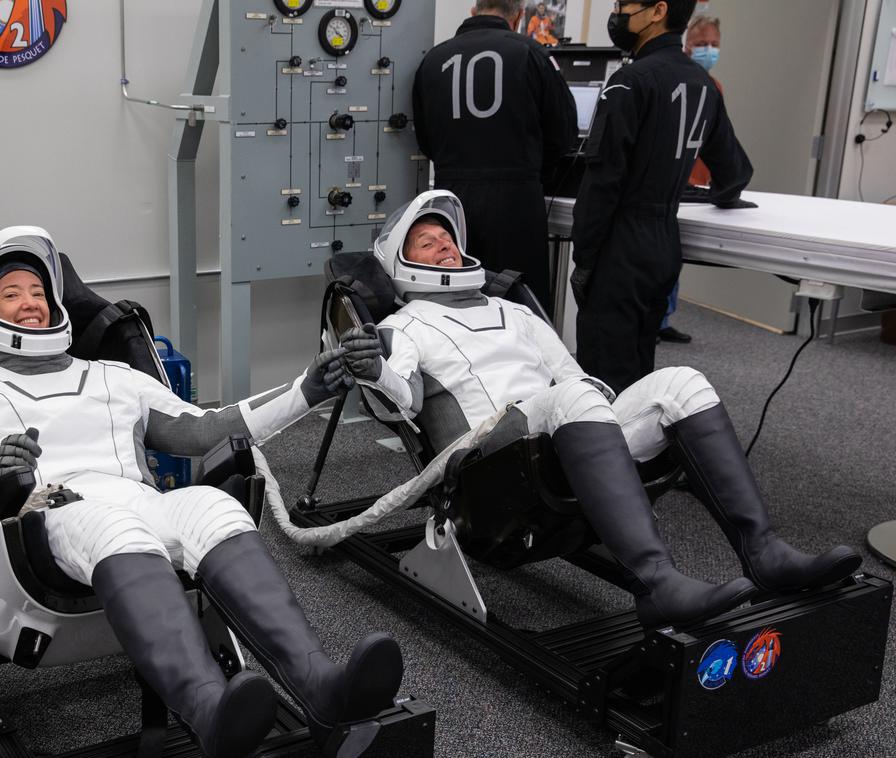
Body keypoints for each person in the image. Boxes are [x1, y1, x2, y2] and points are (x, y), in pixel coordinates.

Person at [0, 226, 404, 758]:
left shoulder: (114, 376)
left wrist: (308, 390)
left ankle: (321, 687)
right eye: (11, 293)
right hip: (47, 524)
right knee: (112, 523)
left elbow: (205, 429)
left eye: (38, 291)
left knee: (210, 506)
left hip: (140, 506)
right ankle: (208, 711)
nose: (30, 302)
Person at [337, 192, 860, 629]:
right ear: (402, 264)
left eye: (447, 238)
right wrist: (373, 369)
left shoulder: (514, 309)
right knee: (574, 396)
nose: (444, 247)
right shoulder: (405, 323)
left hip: (569, 436)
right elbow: (402, 399)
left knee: (681, 383)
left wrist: (616, 425)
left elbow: (574, 378)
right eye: (426, 243)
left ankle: (764, 551)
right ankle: (657, 584)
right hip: (491, 471)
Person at [570, 0, 752, 393]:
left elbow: (603, 183)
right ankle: (640, 447)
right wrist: (709, 195)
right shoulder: (704, 84)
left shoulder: (629, 82)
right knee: (640, 359)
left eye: (624, 5)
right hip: (665, 241)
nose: (618, 13)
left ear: (658, 11)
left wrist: (583, 258)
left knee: (603, 368)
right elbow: (736, 172)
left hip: (621, 244)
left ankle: (604, 450)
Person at [411, 0, 577, 317]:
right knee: (520, 302)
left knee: (456, 295)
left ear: (473, 12)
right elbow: (563, 135)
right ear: (516, 18)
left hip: (453, 201)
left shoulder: (433, 59)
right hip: (517, 201)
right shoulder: (534, 54)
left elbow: (424, 138)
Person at [659, 13, 725, 345]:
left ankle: (664, 318)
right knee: (663, 253)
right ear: (686, 46)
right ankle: (653, 316)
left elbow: (717, 140)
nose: (708, 51)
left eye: (714, 45)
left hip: (699, 180)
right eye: (701, 45)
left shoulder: (714, 87)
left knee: (677, 256)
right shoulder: (674, 79)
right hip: (671, 179)